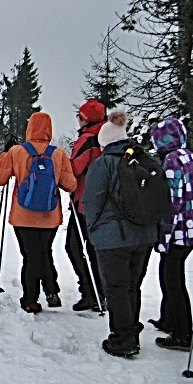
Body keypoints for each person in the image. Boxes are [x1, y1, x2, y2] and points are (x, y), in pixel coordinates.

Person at [83, 110, 157, 357]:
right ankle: (131, 332)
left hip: (112, 237)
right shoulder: (143, 159)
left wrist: (93, 230)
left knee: (116, 288)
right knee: (132, 286)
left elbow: (91, 201)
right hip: (144, 235)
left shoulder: (103, 164)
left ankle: (122, 339)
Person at [0, 112, 76, 313]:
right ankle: (51, 290)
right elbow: (70, 184)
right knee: (44, 252)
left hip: (23, 216)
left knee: (30, 256)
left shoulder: (18, 152)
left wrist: (6, 154)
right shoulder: (58, 154)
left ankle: (30, 299)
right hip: (49, 216)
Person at [148, 117, 193, 351]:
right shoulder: (190, 157)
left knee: (173, 279)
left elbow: (172, 202)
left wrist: (164, 237)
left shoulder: (171, 161)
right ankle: (168, 319)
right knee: (168, 274)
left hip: (178, 230)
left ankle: (182, 333)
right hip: (191, 229)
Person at [66, 99, 107, 311]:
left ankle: (90, 291)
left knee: (74, 247)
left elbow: (74, 169)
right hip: (104, 204)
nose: (78, 121)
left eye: (80, 117)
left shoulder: (88, 139)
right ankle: (101, 292)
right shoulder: (107, 137)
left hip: (84, 202)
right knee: (95, 249)